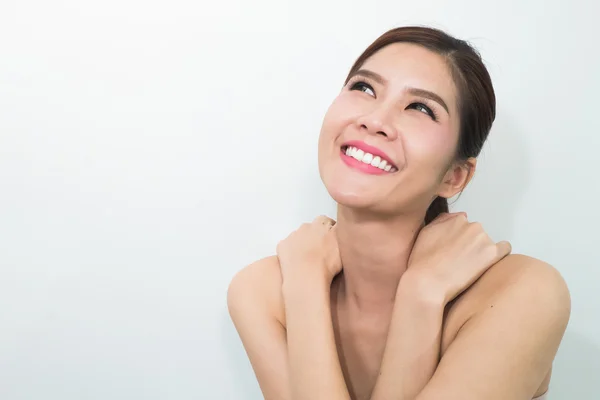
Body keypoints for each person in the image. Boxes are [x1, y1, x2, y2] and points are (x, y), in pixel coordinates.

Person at [227, 26, 570, 400]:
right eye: (364, 88)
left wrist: (420, 296)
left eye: (420, 108)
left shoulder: (523, 293)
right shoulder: (262, 291)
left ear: (455, 177)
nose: (374, 120)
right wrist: (306, 283)